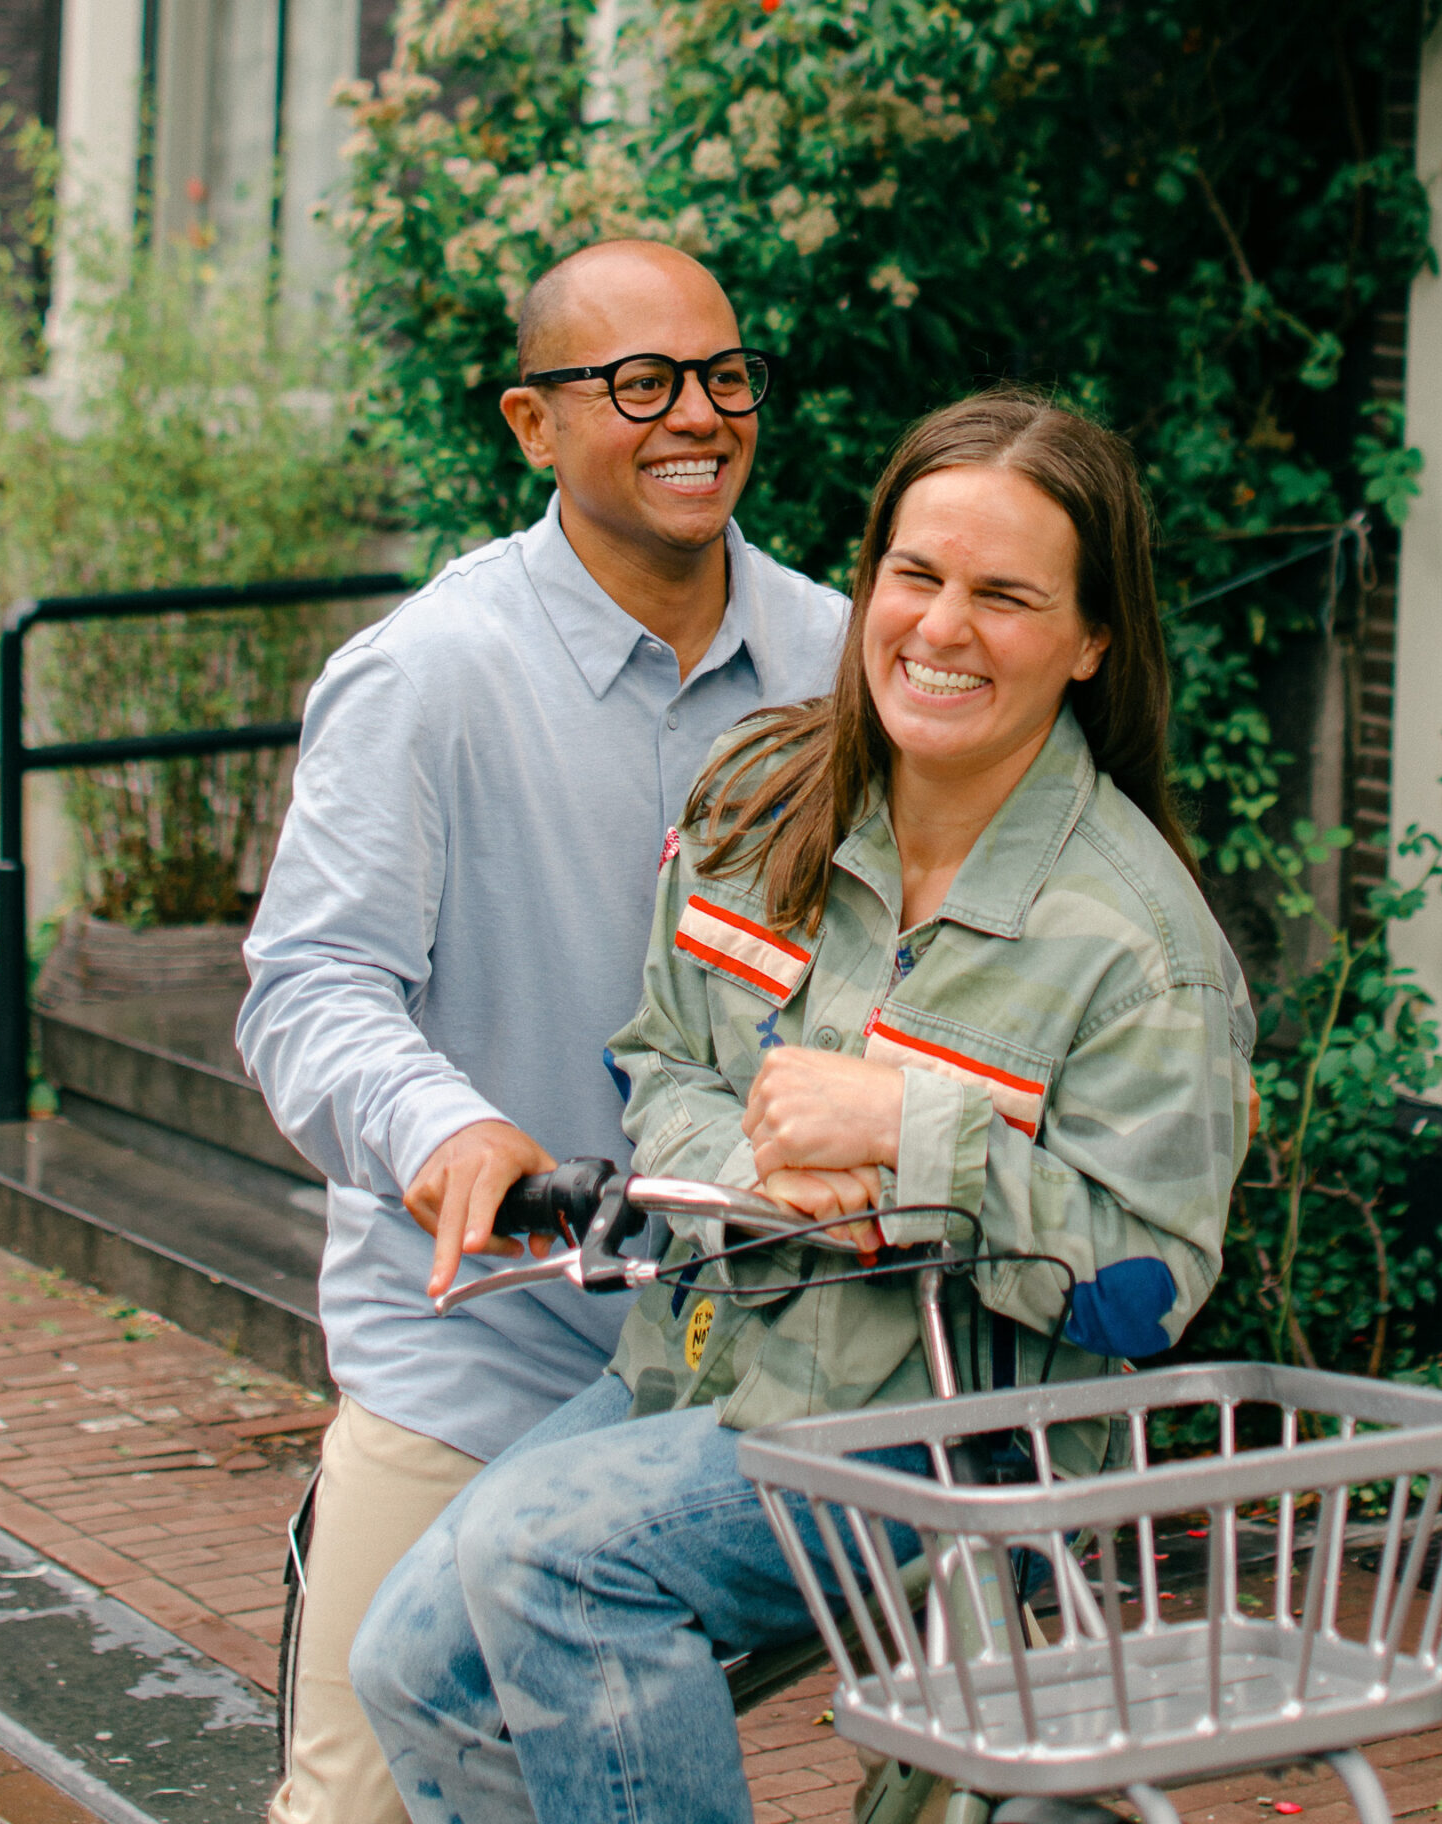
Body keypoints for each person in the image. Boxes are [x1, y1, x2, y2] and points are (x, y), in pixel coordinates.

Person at [350, 389, 1255, 1824]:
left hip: (952, 1447)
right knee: (411, 1666)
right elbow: (663, 1058)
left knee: (554, 1559)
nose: (942, 628)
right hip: (703, 1373)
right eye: (915, 574)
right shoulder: (759, 799)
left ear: (1092, 640)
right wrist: (763, 1169)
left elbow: (1148, 1288)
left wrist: (913, 1137)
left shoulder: (1139, 952)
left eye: (1006, 597)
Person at [237, 239, 847, 1824]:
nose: (696, 415)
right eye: (639, 383)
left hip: (745, 1361)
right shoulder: (426, 674)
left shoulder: (840, 664)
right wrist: (442, 1127)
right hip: (483, 1353)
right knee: (363, 1807)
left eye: (723, 376)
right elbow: (310, 983)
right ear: (533, 423)